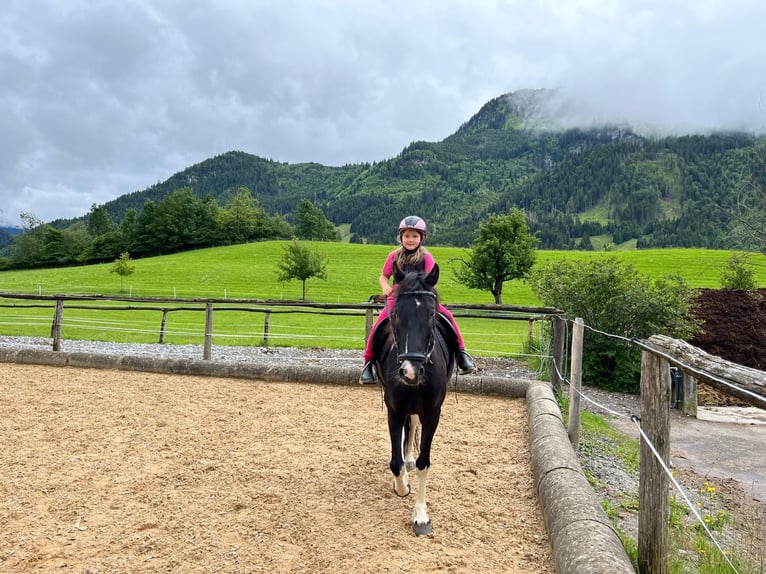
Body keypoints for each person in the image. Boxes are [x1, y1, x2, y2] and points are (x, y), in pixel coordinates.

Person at [360, 215, 477, 383]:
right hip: (399, 298)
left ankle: (461, 353)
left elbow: (429, 280)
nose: (410, 240)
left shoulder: (426, 257)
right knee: (379, 324)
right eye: (407, 236)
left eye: (415, 236)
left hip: (421, 298)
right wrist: (385, 287)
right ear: (401, 237)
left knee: (448, 317)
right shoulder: (394, 256)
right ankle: (368, 362)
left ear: (422, 238)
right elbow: (384, 276)